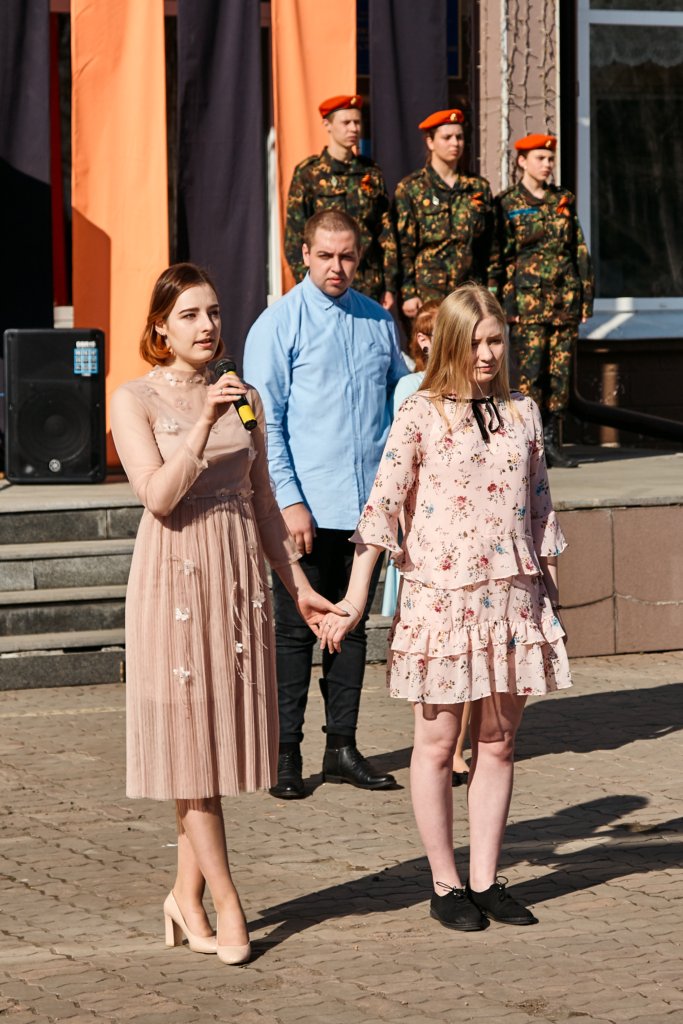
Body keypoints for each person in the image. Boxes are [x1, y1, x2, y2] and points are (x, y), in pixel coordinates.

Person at [318, 283, 572, 931]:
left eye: (496, 341)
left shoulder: (523, 413)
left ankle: (485, 880)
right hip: (440, 605)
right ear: (450, 344)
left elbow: (541, 513)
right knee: (435, 746)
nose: (488, 354)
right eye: (476, 342)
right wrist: (353, 599)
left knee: (499, 741)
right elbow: (381, 511)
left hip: (512, 602)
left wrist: (551, 602)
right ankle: (444, 883)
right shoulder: (420, 413)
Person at [110, 263, 339, 966]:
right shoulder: (133, 399)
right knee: (190, 748)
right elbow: (158, 496)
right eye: (188, 315)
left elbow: (263, 501)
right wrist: (203, 420)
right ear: (160, 328)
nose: (206, 325)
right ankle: (228, 902)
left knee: (209, 745)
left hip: (236, 578)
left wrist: (297, 585)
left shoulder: (247, 397)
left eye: (212, 312)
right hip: (174, 580)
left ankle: (184, 895)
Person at [243, 209, 409, 799]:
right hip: (306, 509)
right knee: (295, 632)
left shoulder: (378, 321)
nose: (336, 267)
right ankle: (284, 753)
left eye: (347, 256)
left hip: (366, 509)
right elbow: (264, 423)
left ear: (358, 258)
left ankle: (341, 746)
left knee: (352, 627)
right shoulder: (277, 325)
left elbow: (402, 401)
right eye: (325, 255)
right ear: (304, 256)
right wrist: (288, 501)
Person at [488, 133, 594, 468]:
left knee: (559, 376)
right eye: (540, 158)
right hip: (527, 306)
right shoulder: (507, 204)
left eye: (550, 159)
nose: (547, 164)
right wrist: (504, 306)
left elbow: (578, 250)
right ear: (522, 161)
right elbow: (499, 258)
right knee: (529, 376)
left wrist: (585, 299)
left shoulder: (562, 200)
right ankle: (527, 442)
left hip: (564, 302)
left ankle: (551, 442)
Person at [285, 94, 397, 309]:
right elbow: (295, 236)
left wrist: (389, 285)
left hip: (369, 284)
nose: (354, 129)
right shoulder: (309, 174)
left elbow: (386, 233)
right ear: (327, 125)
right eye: (346, 123)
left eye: (357, 122)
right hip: (325, 284)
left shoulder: (371, 173)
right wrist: (308, 283)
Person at [393, 109, 494, 319]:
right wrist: (408, 293)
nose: (455, 143)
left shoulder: (478, 188)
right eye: (447, 138)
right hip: (429, 293)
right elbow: (403, 247)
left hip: (468, 292)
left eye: (459, 137)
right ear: (430, 142)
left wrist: (491, 288)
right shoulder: (412, 188)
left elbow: (491, 246)